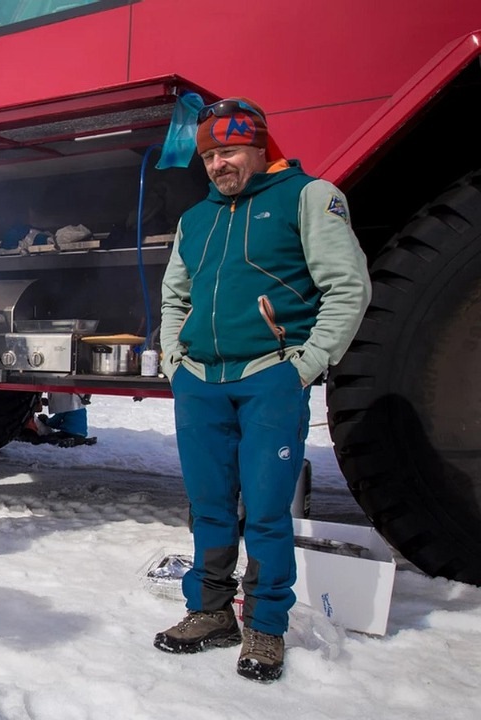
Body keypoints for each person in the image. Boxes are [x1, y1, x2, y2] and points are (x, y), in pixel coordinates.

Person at [153, 97, 371, 682]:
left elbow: (347, 288)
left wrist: (305, 366)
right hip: (200, 381)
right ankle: (210, 612)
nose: (218, 164)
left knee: (268, 511)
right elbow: (175, 296)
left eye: (228, 151)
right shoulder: (194, 219)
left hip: (269, 376)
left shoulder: (308, 197)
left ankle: (266, 626)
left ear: (258, 147)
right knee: (210, 508)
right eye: (209, 156)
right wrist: (176, 358)